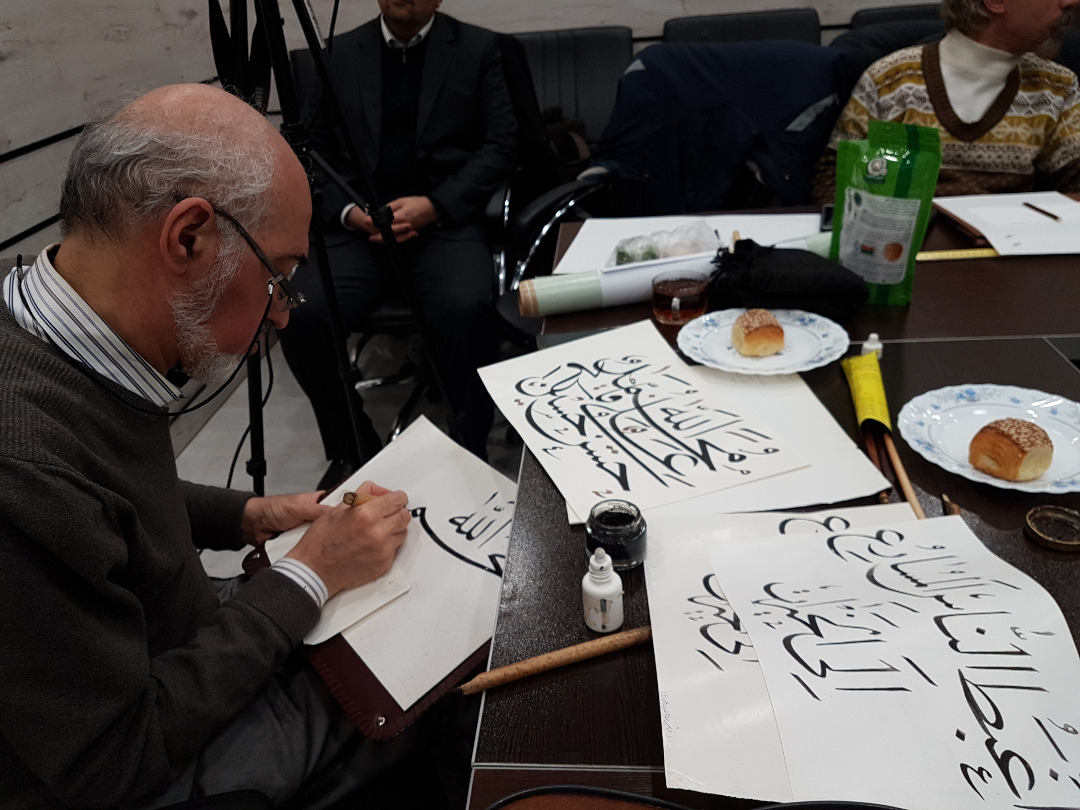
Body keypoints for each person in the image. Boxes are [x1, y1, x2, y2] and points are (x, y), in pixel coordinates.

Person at [0, 84, 419, 809]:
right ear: (189, 237)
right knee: (411, 689)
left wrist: (248, 515)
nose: (282, 316)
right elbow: (113, 762)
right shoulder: (21, 470)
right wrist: (311, 574)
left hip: (161, 639)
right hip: (134, 757)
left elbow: (99, 497)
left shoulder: (49, 329)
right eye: (280, 277)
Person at [277, 0, 518, 489]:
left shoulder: (478, 48)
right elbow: (310, 151)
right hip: (361, 226)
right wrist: (350, 212)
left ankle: (469, 447)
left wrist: (435, 205)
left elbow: (501, 145)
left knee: (466, 305)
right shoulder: (338, 53)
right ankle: (356, 448)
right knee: (297, 311)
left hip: (441, 222)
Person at [813, 0, 1080, 202]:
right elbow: (835, 180)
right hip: (907, 248)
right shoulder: (892, 79)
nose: (1071, 2)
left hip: (1012, 249)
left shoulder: (1058, 85)